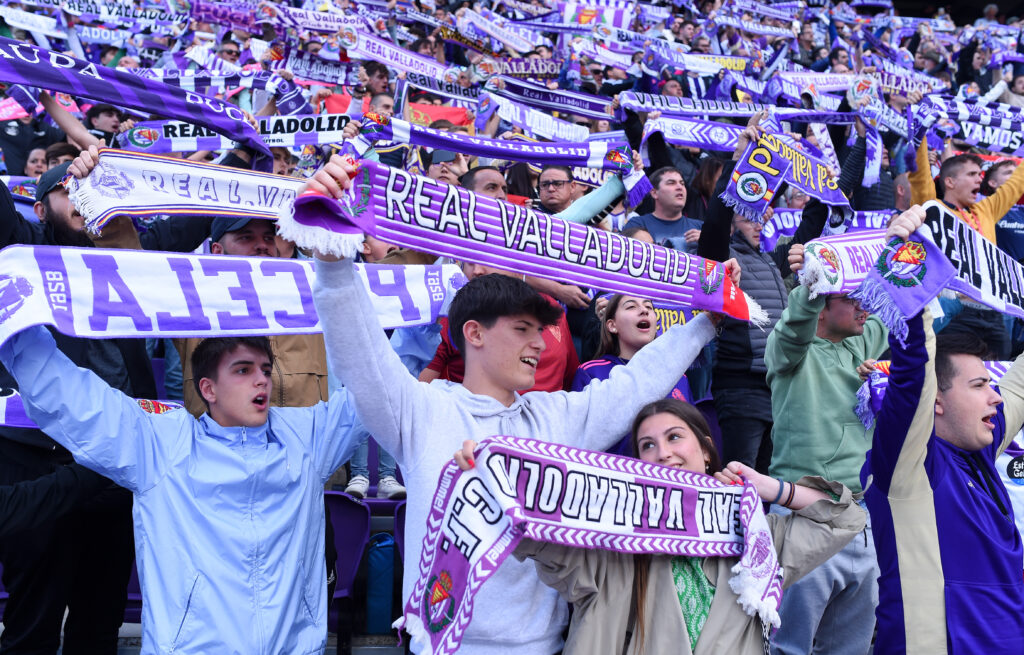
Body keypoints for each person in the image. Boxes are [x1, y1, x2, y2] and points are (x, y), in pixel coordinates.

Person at [310, 153, 735, 655]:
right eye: (522, 330)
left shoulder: (556, 415)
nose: (538, 343)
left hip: (543, 647)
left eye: (541, 330)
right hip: (443, 646)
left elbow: (638, 381)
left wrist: (707, 319)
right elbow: (359, 350)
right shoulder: (419, 411)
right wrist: (333, 256)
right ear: (473, 333)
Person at [0, 330, 362, 653]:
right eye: (243, 370)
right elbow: (70, 394)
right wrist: (15, 325)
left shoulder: (308, 439)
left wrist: (415, 334)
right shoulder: (161, 447)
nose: (261, 381)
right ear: (208, 389)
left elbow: (378, 390)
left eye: (266, 370)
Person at [452, 398, 866, 655]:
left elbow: (843, 517)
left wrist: (770, 487)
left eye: (674, 438)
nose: (662, 453)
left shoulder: (755, 535)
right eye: (647, 446)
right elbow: (540, 538)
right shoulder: (609, 539)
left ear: (706, 451)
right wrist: (492, 476)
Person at [0, 163, 151, 655]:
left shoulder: (127, 253)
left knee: (99, 623)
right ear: (40, 210)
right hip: (38, 465)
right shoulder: (24, 248)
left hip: (114, 469)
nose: (82, 199)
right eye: (69, 192)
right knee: (32, 625)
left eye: (91, 191)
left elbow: (196, 217)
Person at [862, 205, 1024, 653]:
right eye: (979, 386)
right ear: (936, 400)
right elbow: (913, 367)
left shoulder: (981, 455)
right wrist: (908, 255)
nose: (995, 397)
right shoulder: (910, 467)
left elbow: (1021, 385)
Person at [764, 252, 890, 655]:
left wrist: (896, 246)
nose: (863, 307)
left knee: (849, 651)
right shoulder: (788, 353)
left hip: (862, 516)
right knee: (788, 648)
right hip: (804, 512)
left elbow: (899, 306)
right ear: (821, 307)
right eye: (852, 298)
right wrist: (810, 283)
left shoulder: (864, 341)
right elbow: (794, 329)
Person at [572, 294, 693, 455]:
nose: (643, 310)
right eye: (631, 306)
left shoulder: (679, 376)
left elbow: (693, 435)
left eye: (649, 307)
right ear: (612, 325)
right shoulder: (590, 373)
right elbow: (579, 439)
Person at [623, 167, 702, 251]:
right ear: (654, 193)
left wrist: (707, 242)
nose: (680, 187)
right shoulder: (637, 224)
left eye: (682, 183)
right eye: (671, 183)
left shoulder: (701, 227)